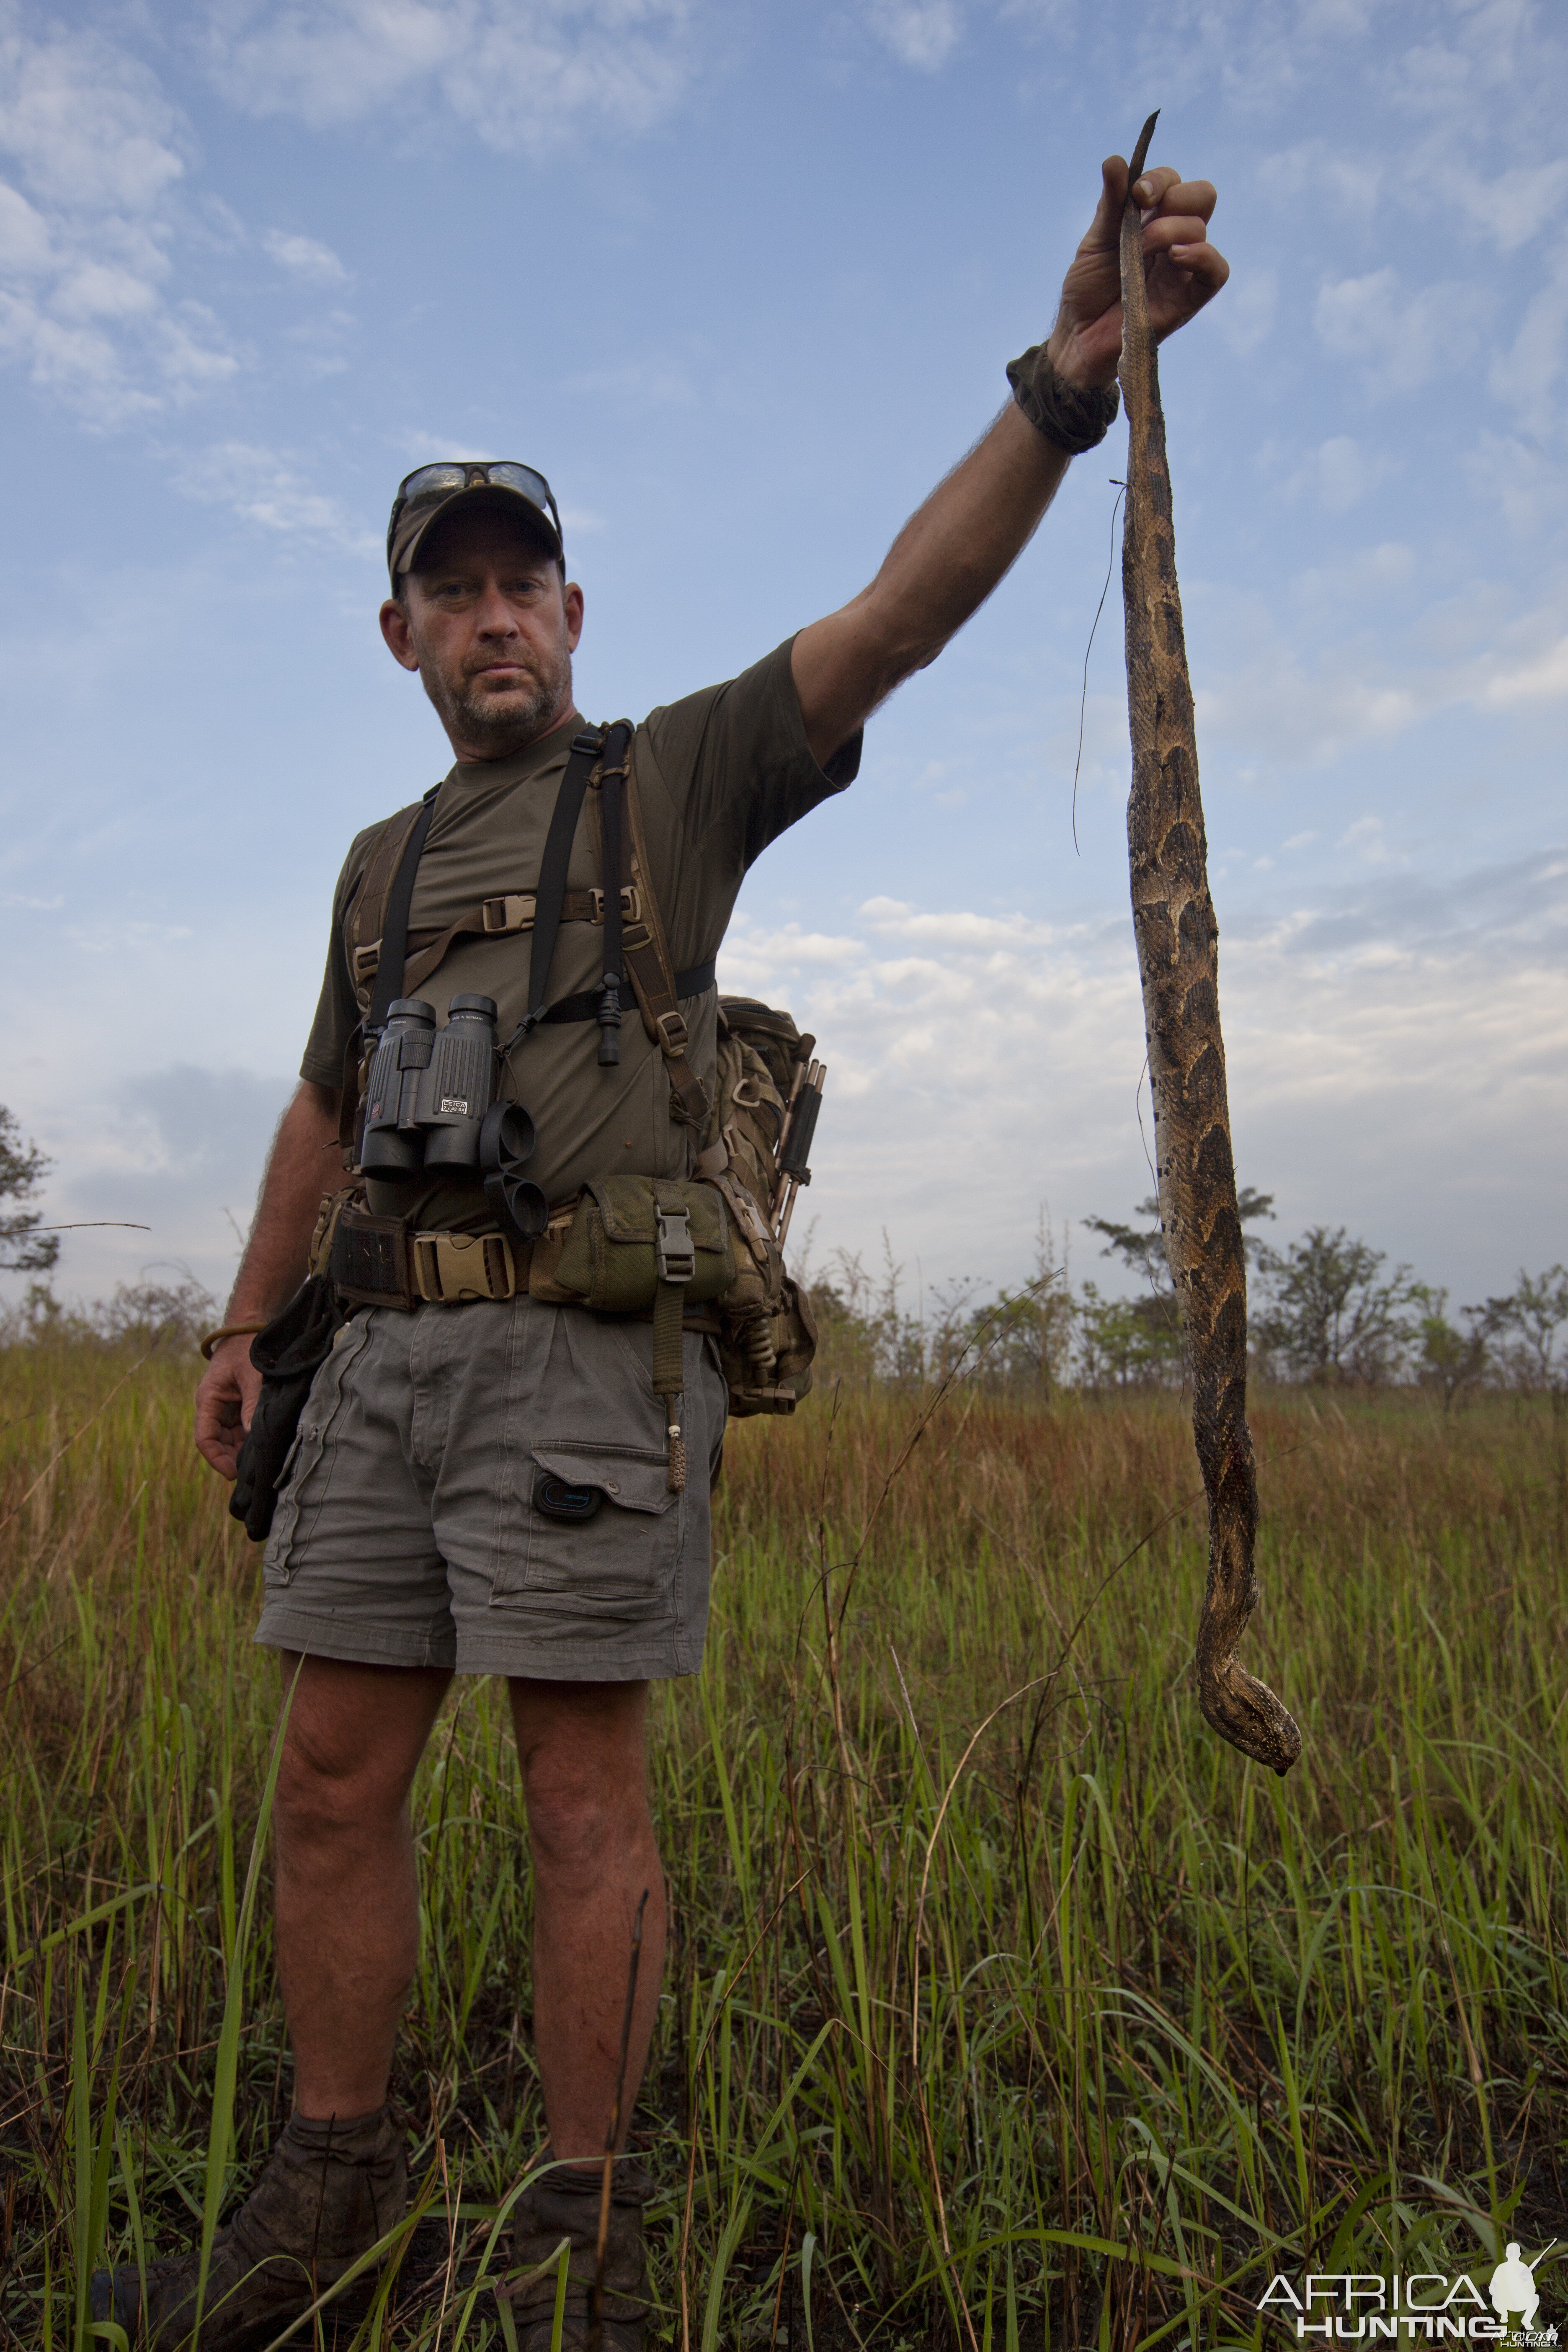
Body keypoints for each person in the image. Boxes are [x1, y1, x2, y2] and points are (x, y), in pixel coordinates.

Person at [93, 148, 1228, 2350]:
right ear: (404, 632)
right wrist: (247, 1320)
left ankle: (580, 2241)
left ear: (575, 617)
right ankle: (319, 2198)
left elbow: (896, 612)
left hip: (582, 1368)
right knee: (329, 1774)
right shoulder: (374, 859)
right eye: (456, 588)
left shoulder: (673, 782)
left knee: (575, 1793)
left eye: (528, 581)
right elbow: (326, 1107)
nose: (496, 614)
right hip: (374, 1370)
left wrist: (1069, 381)